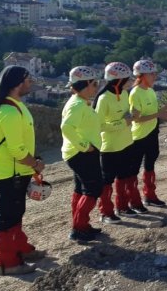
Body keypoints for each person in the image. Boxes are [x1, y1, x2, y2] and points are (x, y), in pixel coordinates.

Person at [0, 66, 45, 275]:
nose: (31, 83)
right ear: (19, 83)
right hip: (11, 172)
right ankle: (8, 263)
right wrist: (34, 164)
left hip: (15, 171)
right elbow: (16, 149)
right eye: (29, 79)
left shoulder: (13, 106)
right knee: (7, 217)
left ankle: (19, 250)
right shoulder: (9, 111)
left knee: (15, 213)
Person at [61, 67, 104, 242]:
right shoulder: (78, 105)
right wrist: (85, 146)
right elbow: (66, 127)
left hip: (79, 152)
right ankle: (79, 229)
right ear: (86, 84)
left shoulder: (79, 101)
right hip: (81, 153)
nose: (97, 87)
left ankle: (81, 225)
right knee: (93, 188)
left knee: (81, 189)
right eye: (95, 84)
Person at [93, 62, 136, 222]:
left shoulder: (124, 93)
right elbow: (98, 125)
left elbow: (125, 114)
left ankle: (122, 206)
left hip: (126, 142)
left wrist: (131, 115)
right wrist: (122, 123)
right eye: (127, 79)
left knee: (124, 177)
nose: (130, 81)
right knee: (107, 182)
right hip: (109, 147)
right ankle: (105, 212)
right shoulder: (103, 99)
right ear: (117, 81)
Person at [128, 60, 167, 207]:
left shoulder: (151, 91)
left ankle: (150, 196)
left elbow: (155, 114)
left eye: (155, 73)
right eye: (152, 73)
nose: (155, 76)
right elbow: (137, 119)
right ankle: (133, 201)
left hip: (152, 133)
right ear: (142, 75)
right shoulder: (135, 93)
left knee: (150, 166)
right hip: (139, 136)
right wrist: (159, 113)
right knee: (133, 169)